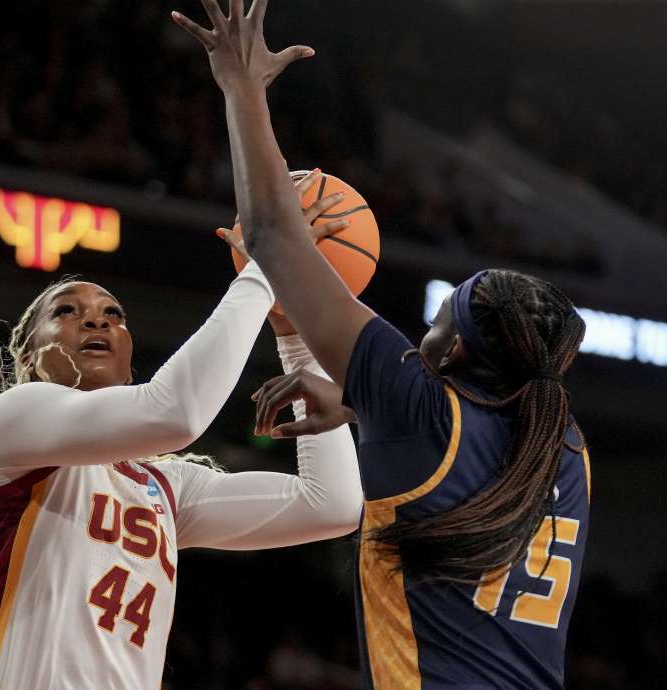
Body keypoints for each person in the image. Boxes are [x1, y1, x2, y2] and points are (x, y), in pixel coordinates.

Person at [174, 1, 591, 687]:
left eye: (437, 326)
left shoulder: (420, 407)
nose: (419, 336)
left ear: (453, 354)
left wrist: (241, 89)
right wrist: (363, 405)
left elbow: (276, 235)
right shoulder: (565, 445)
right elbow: (464, 449)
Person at [0, 195, 364, 689]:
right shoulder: (12, 420)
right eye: (67, 311)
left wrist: (295, 337)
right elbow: (178, 412)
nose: (97, 321)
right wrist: (266, 268)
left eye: (113, 315)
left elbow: (331, 504)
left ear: (130, 358)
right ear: (27, 354)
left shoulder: (164, 484)